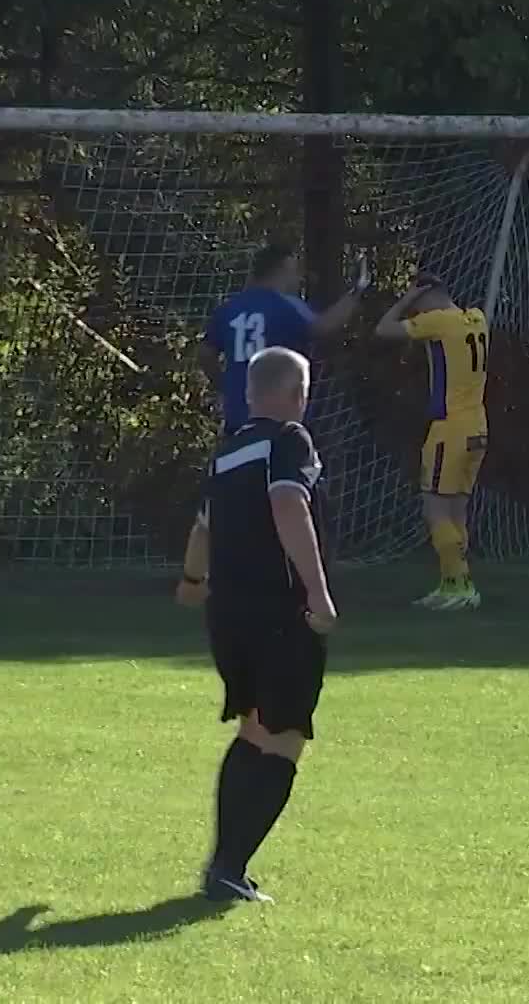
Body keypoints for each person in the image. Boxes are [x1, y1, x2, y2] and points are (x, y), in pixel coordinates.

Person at [200, 346, 337, 903]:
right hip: (280, 611)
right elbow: (288, 505)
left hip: (228, 613)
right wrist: (319, 593)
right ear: (297, 394)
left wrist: (191, 579)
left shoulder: (227, 451)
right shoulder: (289, 440)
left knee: (254, 729)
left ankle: (225, 865)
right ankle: (228, 867)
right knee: (285, 737)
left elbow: (203, 526)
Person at [176, 244, 368, 606]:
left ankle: (215, 576)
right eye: (293, 270)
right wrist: (358, 290)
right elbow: (325, 326)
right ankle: (302, 581)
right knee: (291, 498)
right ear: (279, 270)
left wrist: (225, 385)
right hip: (277, 426)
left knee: (226, 502)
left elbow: (205, 353)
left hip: (238, 423)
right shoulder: (285, 305)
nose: (297, 278)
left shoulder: (230, 308)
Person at [374, 273, 491, 610]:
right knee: (457, 511)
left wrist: (405, 299)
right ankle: (452, 582)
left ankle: (461, 584)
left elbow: (383, 329)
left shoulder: (438, 321)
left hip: (448, 427)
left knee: (435, 507)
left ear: (425, 294)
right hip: (478, 425)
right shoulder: (477, 318)